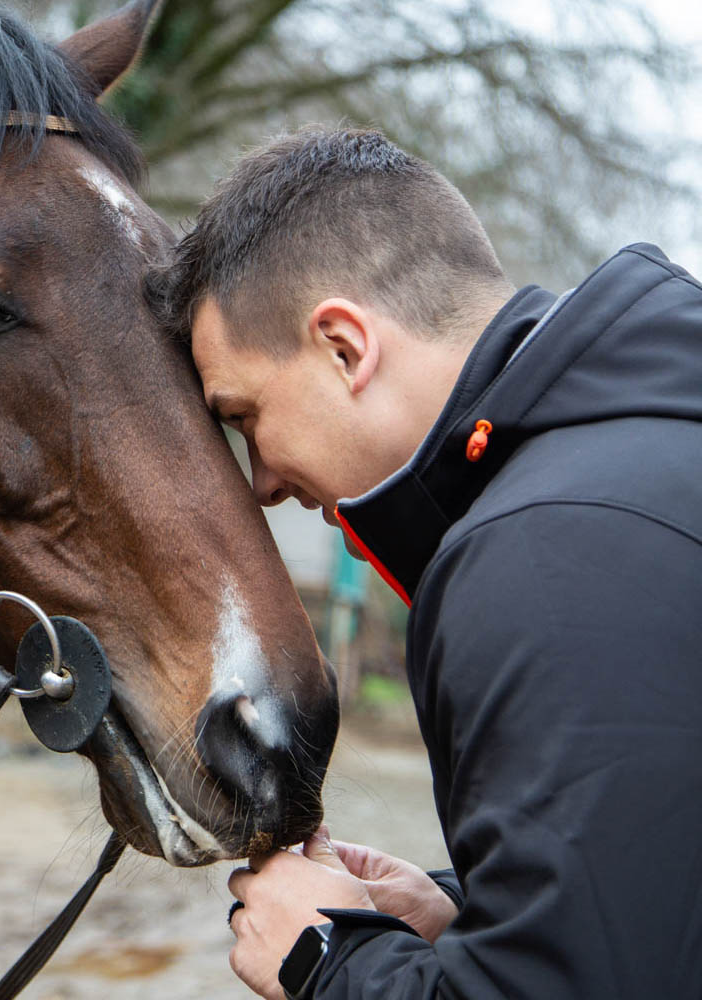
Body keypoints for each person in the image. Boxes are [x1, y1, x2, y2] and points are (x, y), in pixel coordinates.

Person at [145, 126, 702, 999]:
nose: (261, 483)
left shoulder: (539, 554)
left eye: (245, 415)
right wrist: (459, 915)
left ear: (344, 347)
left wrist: (324, 959)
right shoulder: (649, 458)